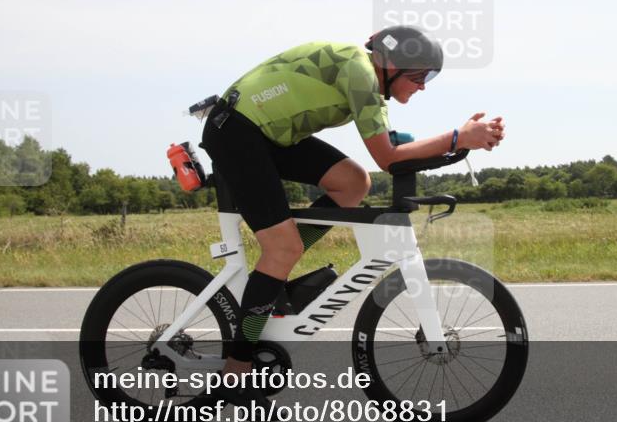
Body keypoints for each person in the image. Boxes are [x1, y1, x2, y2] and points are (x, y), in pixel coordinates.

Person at [199, 25, 504, 384]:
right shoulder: (361, 75)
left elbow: (387, 152)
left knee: (352, 183)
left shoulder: (365, 73)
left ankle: (272, 279)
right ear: (391, 66)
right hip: (237, 132)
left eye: (430, 77)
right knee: (283, 248)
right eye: (421, 75)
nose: (423, 85)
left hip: (264, 134)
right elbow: (388, 157)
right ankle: (236, 371)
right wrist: (456, 138)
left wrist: (456, 142)